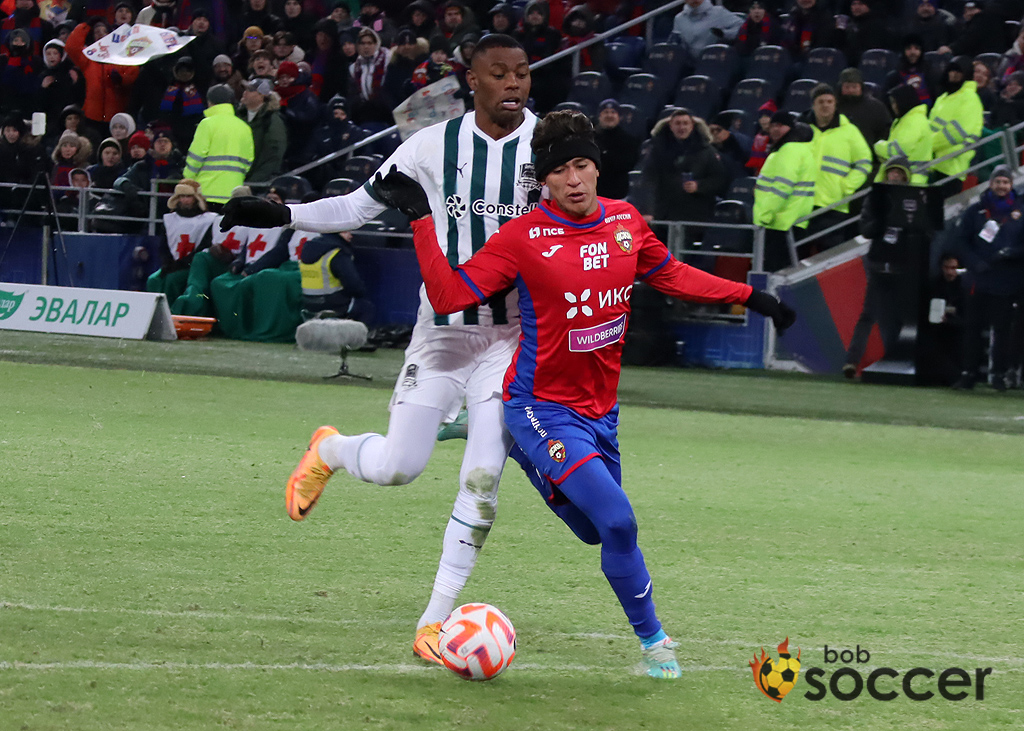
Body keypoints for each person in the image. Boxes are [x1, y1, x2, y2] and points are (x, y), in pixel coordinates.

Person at [370, 109, 796, 678]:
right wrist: (423, 219)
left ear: (597, 168)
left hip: (600, 413)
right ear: (543, 181)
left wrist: (752, 296)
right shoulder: (522, 237)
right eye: (559, 171)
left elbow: (674, 276)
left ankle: (508, 444)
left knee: (595, 531)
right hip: (541, 407)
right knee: (619, 523)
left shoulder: (625, 223)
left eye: (581, 165)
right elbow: (448, 296)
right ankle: (656, 645)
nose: (572, 179)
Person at [218, 34, 545, 667]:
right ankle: (331, 449)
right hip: (443, 332)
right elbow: (356, 206)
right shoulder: (429, 146)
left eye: (523, 73)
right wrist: (282, 214)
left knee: (483, 476)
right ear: (471, 81)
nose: (513, 84)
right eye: (500, 73)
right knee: (399, 467)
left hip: (512, 339)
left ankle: (433, 621)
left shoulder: (548, 144)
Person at [842, 157, 929, 378]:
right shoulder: (876, 197)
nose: (895, 176)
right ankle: (852, 361)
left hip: (902, 267)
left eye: (900, 173)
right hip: (879, 265)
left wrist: (907, 224)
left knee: (898, 319)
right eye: (892, 172)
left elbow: (926, 232)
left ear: (907, 176)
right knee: (868, 315)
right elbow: (866, 230)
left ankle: (896, 364)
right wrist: (885, 219)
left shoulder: (915, 198)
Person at [953, 165, 1024, 391]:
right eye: (998, 182)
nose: (1002, 186)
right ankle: (968, 373)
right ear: (991, 183)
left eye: (1006, 182)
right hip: (979, 278)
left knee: (1002, 330)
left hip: (1007, 281)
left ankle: (998, 374)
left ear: (1011, 185)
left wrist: (1012, 253)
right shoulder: (976, 210)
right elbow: (961, 241)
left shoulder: (1021, 210)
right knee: (972, 328)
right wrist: (973, 262)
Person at [637, 108, 728, 243]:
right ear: (671, 126)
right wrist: (647, 210)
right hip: (663, 216)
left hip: (695, 218)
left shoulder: (706, 151)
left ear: (692, 125)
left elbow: (719, 179)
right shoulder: (657, 149)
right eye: (678, 123)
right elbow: (648, 180)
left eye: (685, 123)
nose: (682, 127)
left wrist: (699, 186)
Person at [801, 83, 871, 251]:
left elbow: (864, 162)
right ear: (813, 105)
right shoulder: (802, 130)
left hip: (834, 206)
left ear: (835, 104)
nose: (825, 105)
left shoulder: (850, 131)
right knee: (797, 257)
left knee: (829, 257)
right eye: (821, 102)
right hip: (802, 203)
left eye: (829, 101)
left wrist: (847, 186)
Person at [753, 110, 816, 272]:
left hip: (780, 223)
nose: (775, 129)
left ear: (790, 128)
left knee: (774, 273)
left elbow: (782, 187)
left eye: (780, 125)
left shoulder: (790, 149)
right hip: (789, 221)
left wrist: (764, 216)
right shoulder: (796, 148)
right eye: (773, 125)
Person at [146, 178, 218, 307]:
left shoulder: (209, 220)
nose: (184, 200)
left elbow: (204, 247)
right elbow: (163, 246)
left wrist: (181, 264)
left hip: (194, 267)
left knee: (173, 280)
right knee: (153, 280)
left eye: (188, 196)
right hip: (173, 263)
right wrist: (168, 263)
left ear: (196, 198)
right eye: (181, 196)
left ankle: (171, 313)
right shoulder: (169, 219)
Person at [183, 84, 254, 208]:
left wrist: (187, 179)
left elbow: (196, 156)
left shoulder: (207, 124)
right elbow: (248, 160)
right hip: (234, 192)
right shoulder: (244, 127)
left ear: (209, 102)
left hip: (206, 192)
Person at [928, 57, 983, 200]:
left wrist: (928, 145)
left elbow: (957, 132)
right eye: (951, 70)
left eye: (959, 71)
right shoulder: (943, 98)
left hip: (953, 166)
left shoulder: (970, 98)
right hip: (933, 164)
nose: (954, 74)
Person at [874, 84, 931, 185]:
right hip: (904, 178)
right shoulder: (905, 120)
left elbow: (899, 150)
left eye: (895, 102)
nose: (893, 106)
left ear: (904, 101)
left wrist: (878, 146)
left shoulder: (914, 121)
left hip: (909, 180)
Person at [239, 77, 286, 184]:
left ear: (262, 95)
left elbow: (273, 156)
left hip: (255, 183)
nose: (245, 93)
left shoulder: (272, 120)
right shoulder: (239, 115)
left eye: (250, 90)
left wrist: (253, 182)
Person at [670, 0, 743, 67]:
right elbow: (676, 43)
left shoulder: (718, 12)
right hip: (690, 64)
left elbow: (742, 28)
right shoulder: (679, 19)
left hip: (717, 61)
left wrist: (724, 34)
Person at [594, 98, 639, 200]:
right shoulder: (590, 138)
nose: (609, 115)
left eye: (613, 112)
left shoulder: (628, 140)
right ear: (599, 116)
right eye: (606, 112)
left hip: (618, 194)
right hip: (594, 194)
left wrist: (605, 155)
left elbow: (628, 164)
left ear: (619, 117)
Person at [837, 68, 891, 151]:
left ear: (861, 87)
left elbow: (886, 131)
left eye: (854, 87)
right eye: (847, 87)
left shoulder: (876, 107)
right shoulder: (833, 106)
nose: (850, 90)